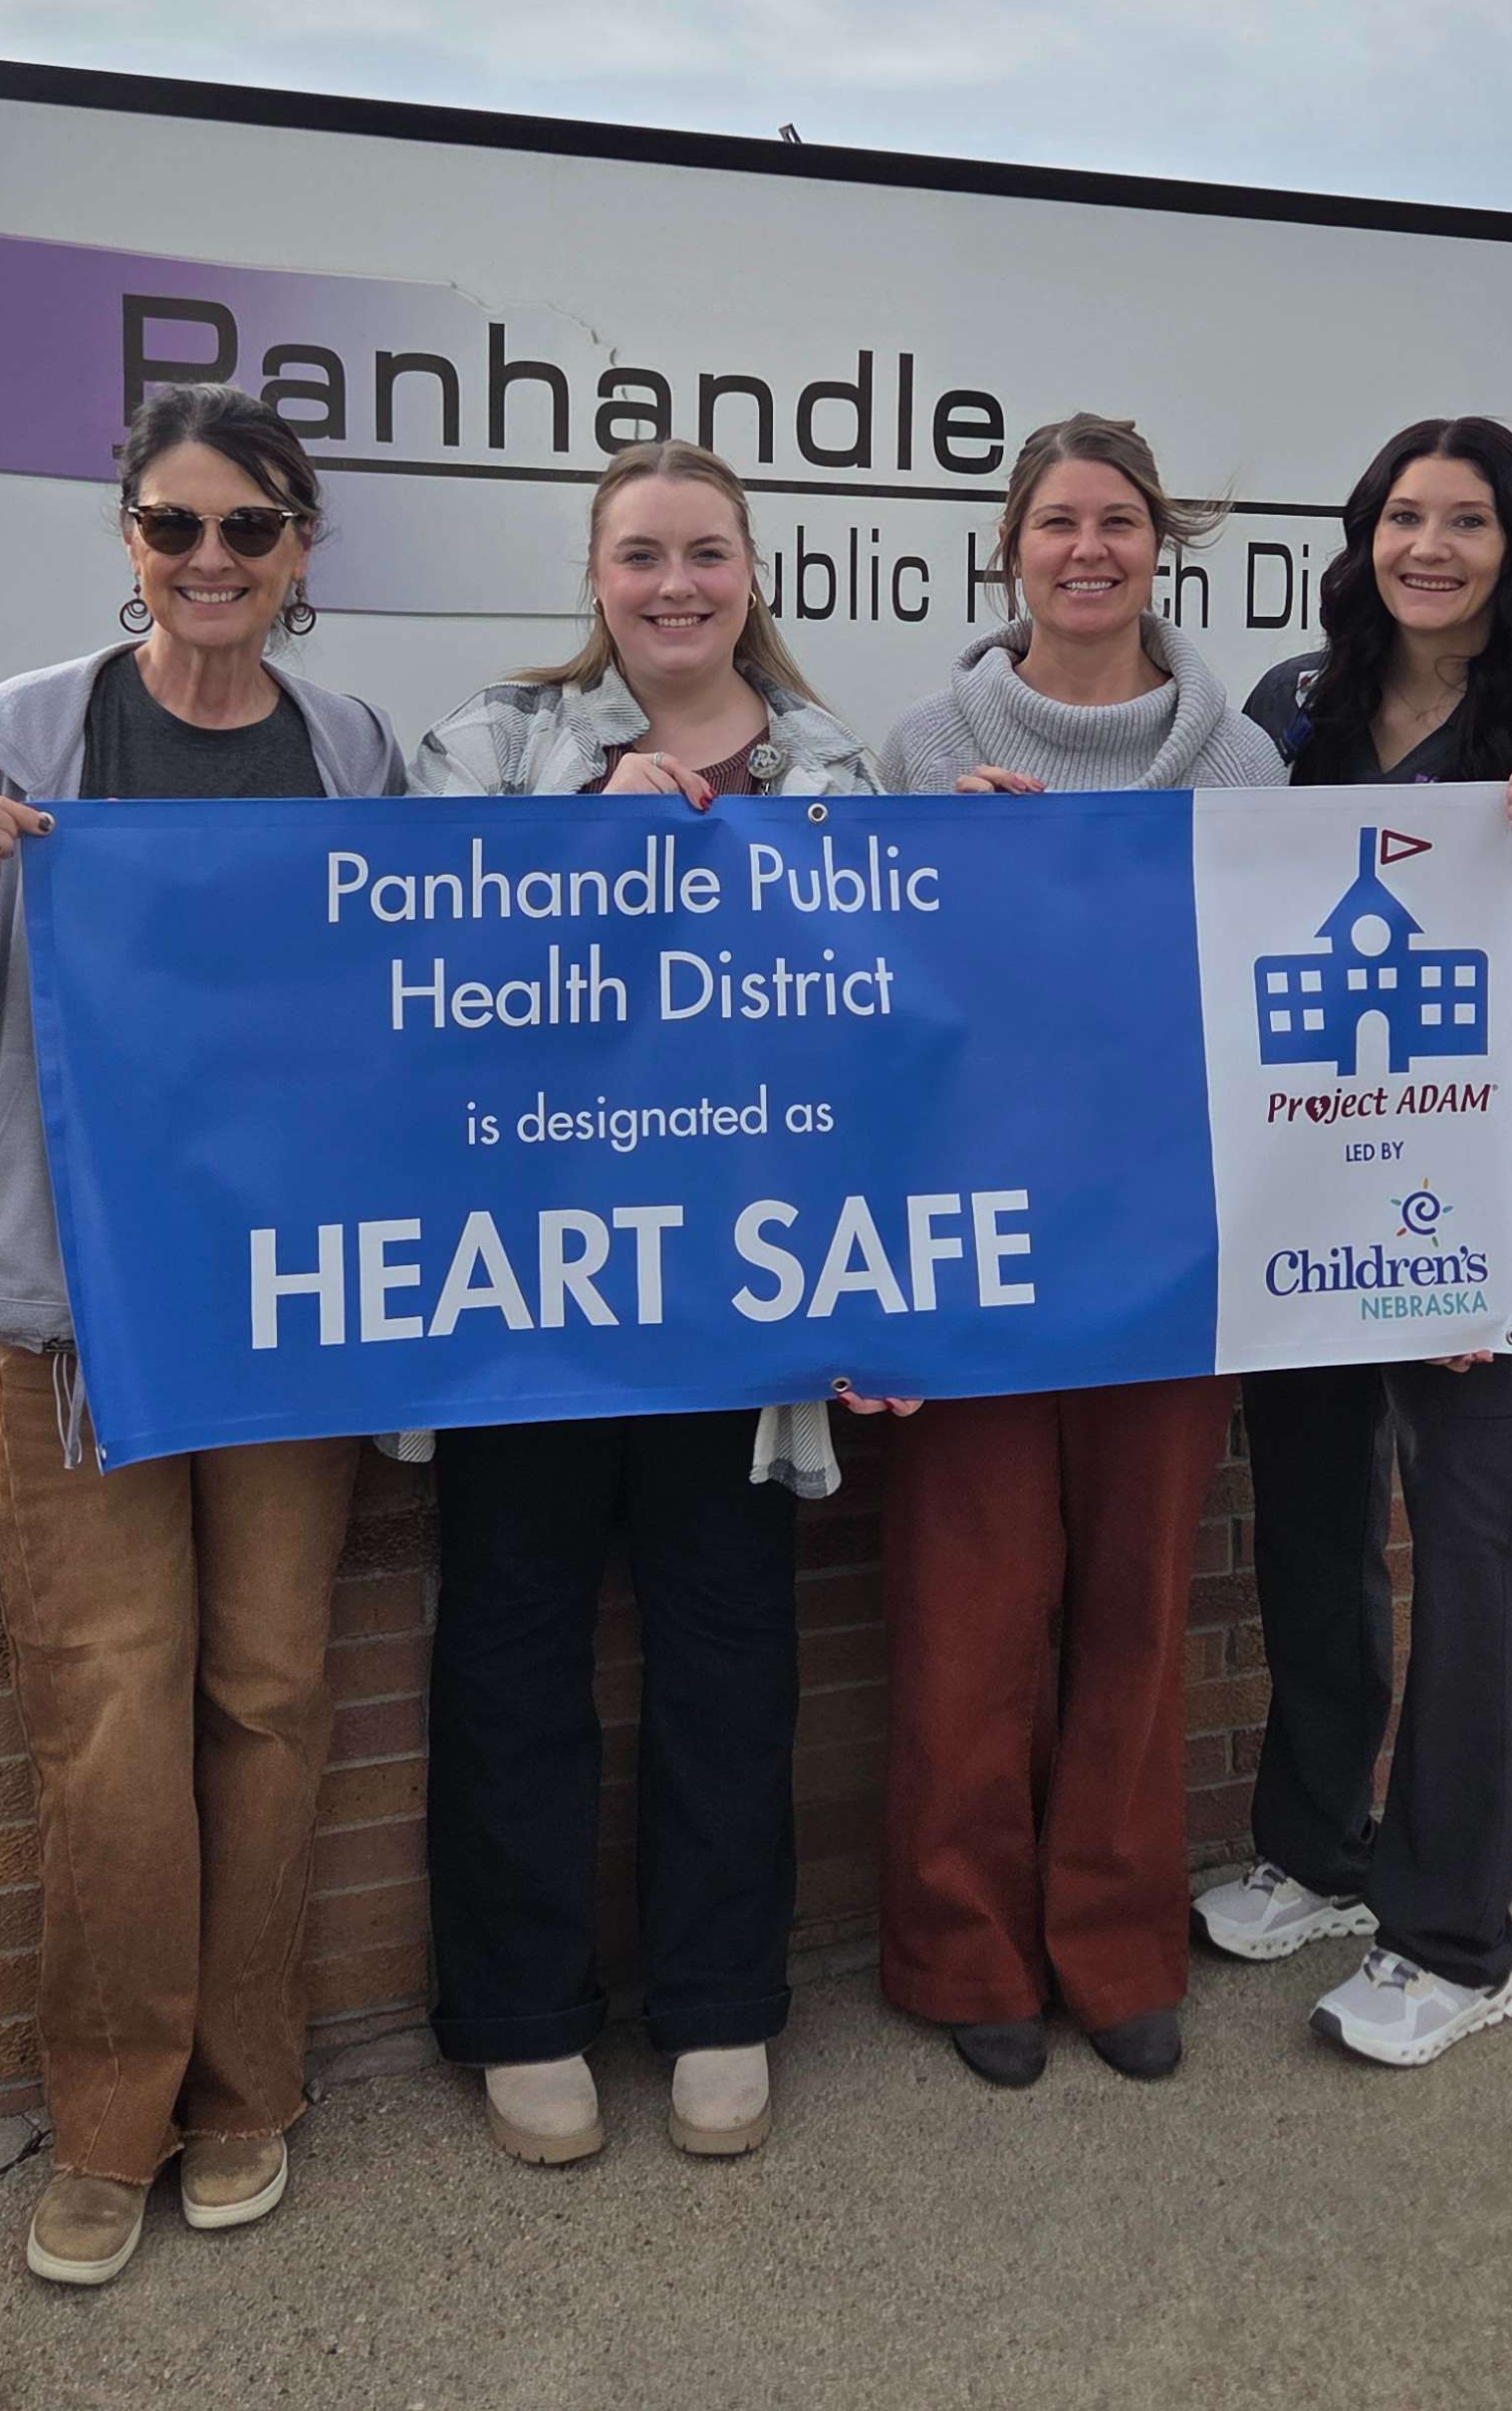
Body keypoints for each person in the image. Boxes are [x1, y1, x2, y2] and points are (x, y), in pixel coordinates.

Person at [0, 385, 406, 2288]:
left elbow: (404, 1001)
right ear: (130, 541)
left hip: (282, 1302)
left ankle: (246, 2091)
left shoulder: (350, 749)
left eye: (248, 529)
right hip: (75, 1309)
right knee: (108, 1718)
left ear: (299, 549)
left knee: (266, 1694)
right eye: (174, 527)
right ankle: (109, 2125)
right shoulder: (28, 728)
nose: (209, 561)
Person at [408, 440, 887, 2168]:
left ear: (753, 574)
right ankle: (521, 2014)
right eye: (641, 556)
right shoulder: (490, 748)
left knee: (728, 1650)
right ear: (596, 578)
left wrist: (875, 1287)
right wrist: (571, 850)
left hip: (739, 1293)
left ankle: (719, 2001)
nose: (675, 586)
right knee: (513, 1646)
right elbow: (405, 980)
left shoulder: (835, 771)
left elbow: (880, 1037)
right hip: (526, 1284)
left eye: (705, 554)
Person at [1195, 411, 1512, 2072]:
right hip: (1303, 1185)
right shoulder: (1292, 708)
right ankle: (1319, 1852)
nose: (1430, 548)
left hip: (1460, 1199)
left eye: (1466, 521)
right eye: (1405, 516)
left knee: (1473, 1555)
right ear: (1365, 535)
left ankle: (1454, 1940)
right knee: (1314, 1529)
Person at [871, 413, 1288, 2088]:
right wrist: (952, 869)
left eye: (1117, 521)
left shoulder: (1240, 765)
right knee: (968, 1620)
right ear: (1011, 548)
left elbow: (1266, 1012)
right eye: (1057, 522)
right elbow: (877, 1008)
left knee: (1136, 1607)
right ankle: (963, 1951)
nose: (1088, 549)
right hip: (970, 1247)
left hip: (1168, 1249)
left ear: (1158, 546)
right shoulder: (922, 750)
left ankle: (1116, 1947)